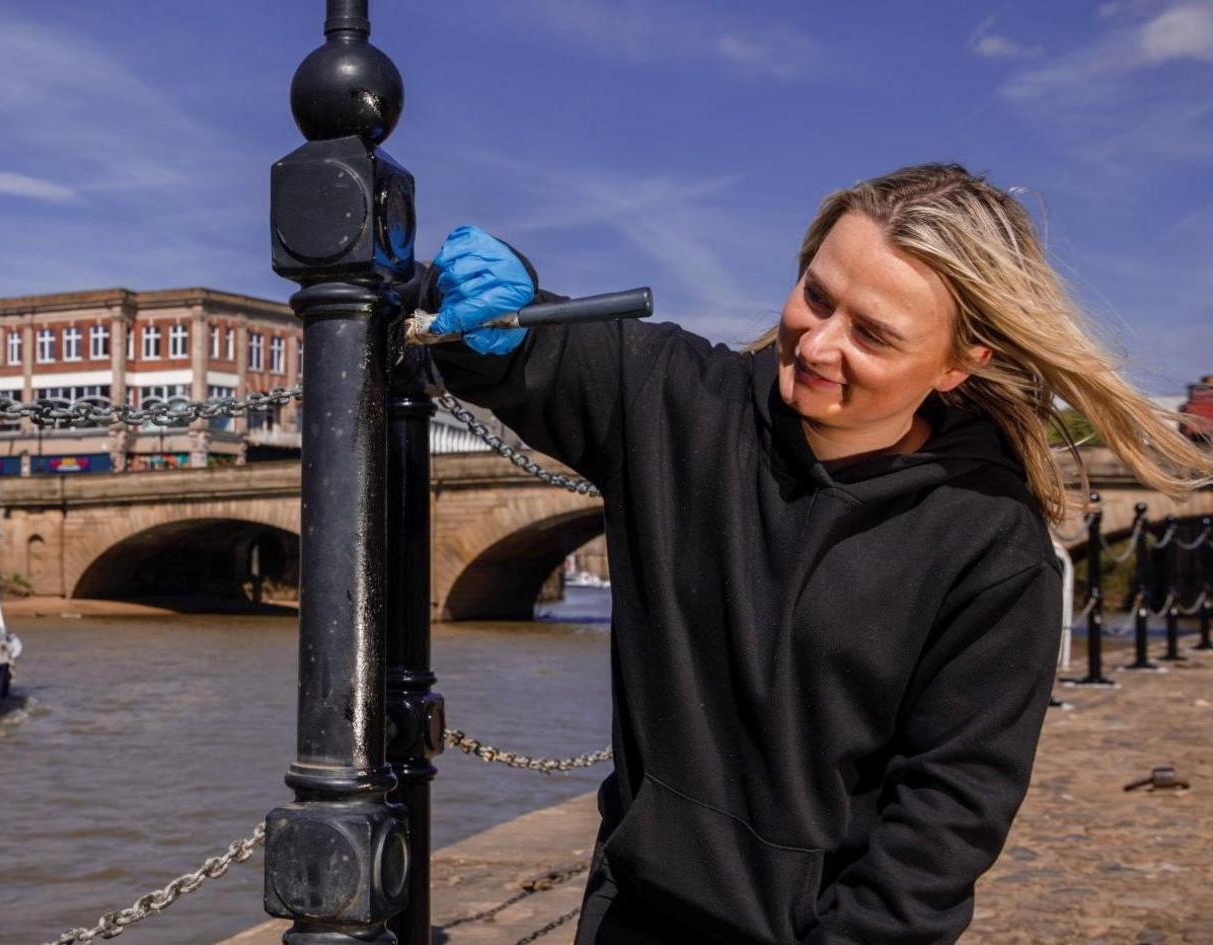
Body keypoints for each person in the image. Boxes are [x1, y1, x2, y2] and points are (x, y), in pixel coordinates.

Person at [424, 164, 1213, 945]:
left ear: (958, 363)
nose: (819, 343)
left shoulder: (993, 554)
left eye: (872, 332)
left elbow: (941, 825)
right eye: (816, 295)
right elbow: (532, 354)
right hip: (632, 916)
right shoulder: (677, 400)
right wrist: (489, 311)